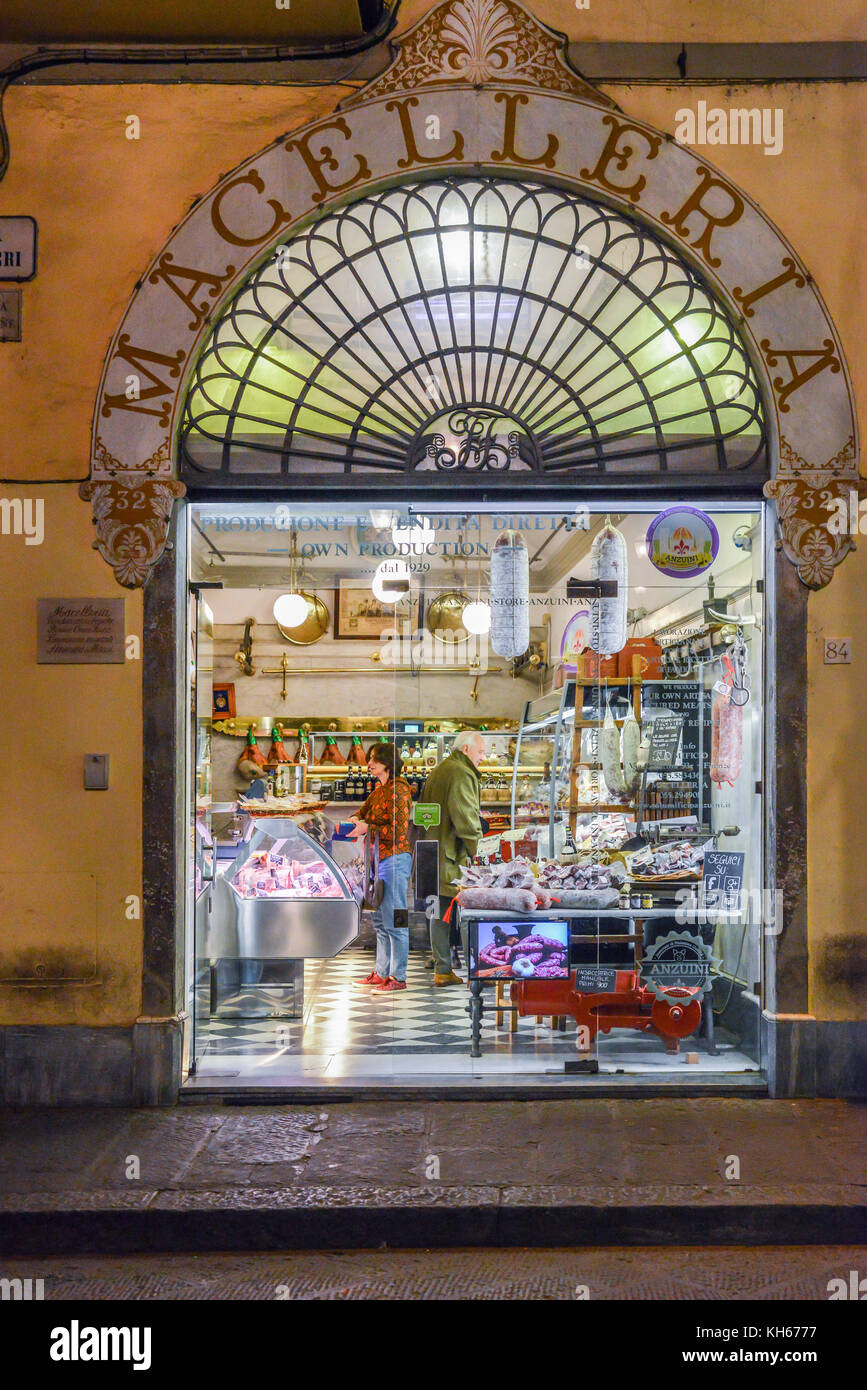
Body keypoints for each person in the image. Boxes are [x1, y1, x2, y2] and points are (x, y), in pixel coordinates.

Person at [348, 742, 414, 995]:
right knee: (379, 919)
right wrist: (356, 819)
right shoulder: (379, 790)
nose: (369, 763)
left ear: (387, 761)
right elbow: (363, 811)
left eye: (374, 759)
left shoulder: (400, 790)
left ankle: (399, 976)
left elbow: (398, 830)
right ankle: (382, 972)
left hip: (395, 858)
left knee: (397, 917)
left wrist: (368, 828)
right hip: (377, 859)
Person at [421, 730, 485, 986]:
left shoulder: (438, 771)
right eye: (481, 752)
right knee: (466, 910)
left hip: (429, 852)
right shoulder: (461, 772)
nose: (483, 757)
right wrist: (477, 849)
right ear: (467, 750)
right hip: (449, 857)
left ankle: (442, 968)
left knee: (436, 912)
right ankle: (478, 970)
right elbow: (466, 818)